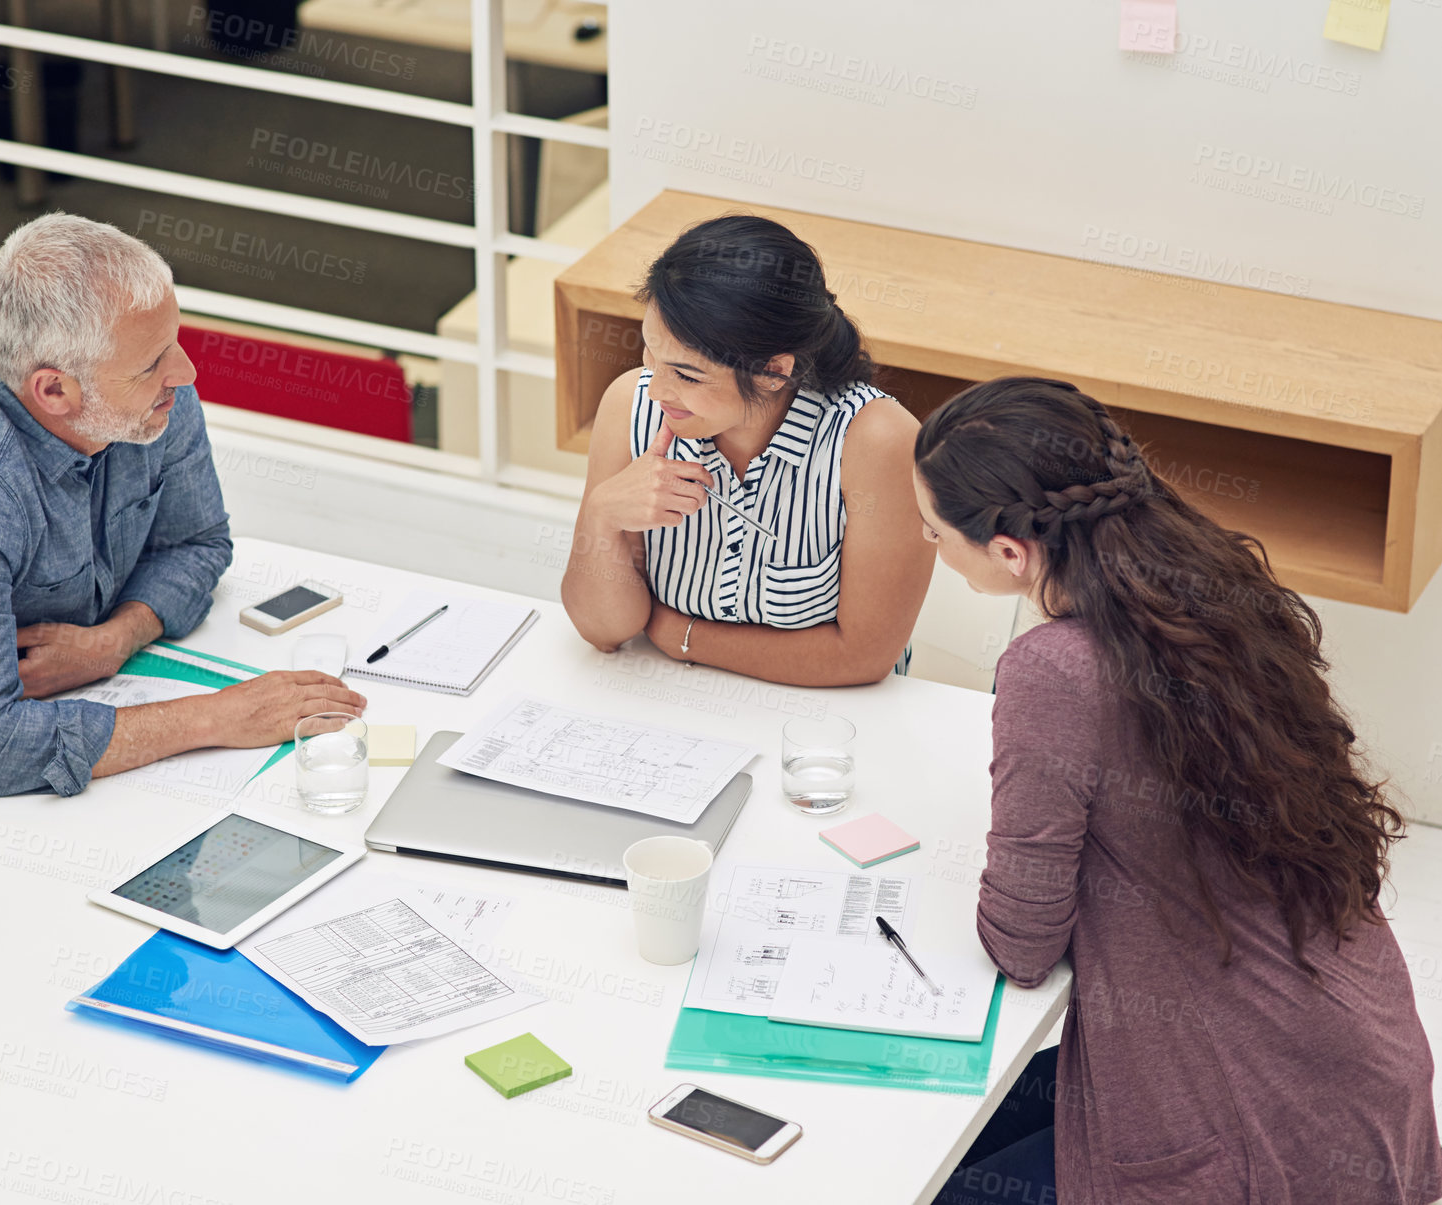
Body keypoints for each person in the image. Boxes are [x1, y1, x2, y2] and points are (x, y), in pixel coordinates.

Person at [915, 377, 1441, 1204]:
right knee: (967, 1124)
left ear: (1010, 551)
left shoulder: (1053, 667)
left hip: (1252, 1119)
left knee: (932, 1179)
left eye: (934, 531)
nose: (929, 544)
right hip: (1359, 1064)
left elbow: (1020, 945)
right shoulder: (1209, 587)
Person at [0, 213, 365, 869]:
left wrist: (114, 639)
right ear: (55, 390)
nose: (184, 371)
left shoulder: (150, 391)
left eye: (173, 343)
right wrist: (214, 718)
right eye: (153, 363)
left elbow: (198, 543)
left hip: (64, 729)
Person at [561, 214, 933, 687]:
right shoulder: (629, 405)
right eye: (649, 354)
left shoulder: (878, 441)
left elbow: (861, 657)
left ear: (773, 371)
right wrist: (602, 515)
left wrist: (681, 636)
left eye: (688, 375)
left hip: (829, 724)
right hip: (668, 700)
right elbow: (603, 632)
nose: (656, 390)